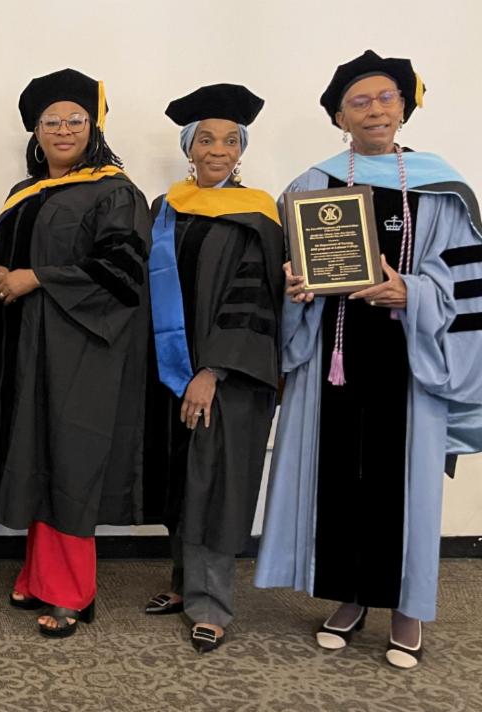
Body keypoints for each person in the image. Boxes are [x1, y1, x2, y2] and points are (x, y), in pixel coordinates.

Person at [255, 50, 482, 670]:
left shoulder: (444, 189)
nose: (375, 109)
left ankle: (406, 608)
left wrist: (414, 291)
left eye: (386, 98)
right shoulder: (309, 186)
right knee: (339, 478)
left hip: (409, 357)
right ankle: (350, 598)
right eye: (360, 101)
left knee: (400, 483)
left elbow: (464, 278)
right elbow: (290, 275)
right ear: (338, 117)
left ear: (405, 106)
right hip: (332, 352)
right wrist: (295, 288)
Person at [0, 68, 149, 639]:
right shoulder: (26, 193)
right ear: (36, 132)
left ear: (93, 127)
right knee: (38, 452)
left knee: (71, 460)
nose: (64, 130)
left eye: (76, 120)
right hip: (29, 348)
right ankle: (40, 571)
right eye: (52, 121)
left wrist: (36, 278)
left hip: (81, 349)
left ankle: (73, 591)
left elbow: (123, 273)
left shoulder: (114, 190)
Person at [141, 84, 285, 653]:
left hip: (227, 379)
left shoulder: (257, 215)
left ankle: (213, 604)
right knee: (180, 479)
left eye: (230, 140)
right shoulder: (165, 208)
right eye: (206, 139)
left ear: (241, 150)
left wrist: (211, 371)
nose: (218, 150)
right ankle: (181, 585)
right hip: (168, 372)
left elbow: (253, 303)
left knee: (216, 485)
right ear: (189, 147)